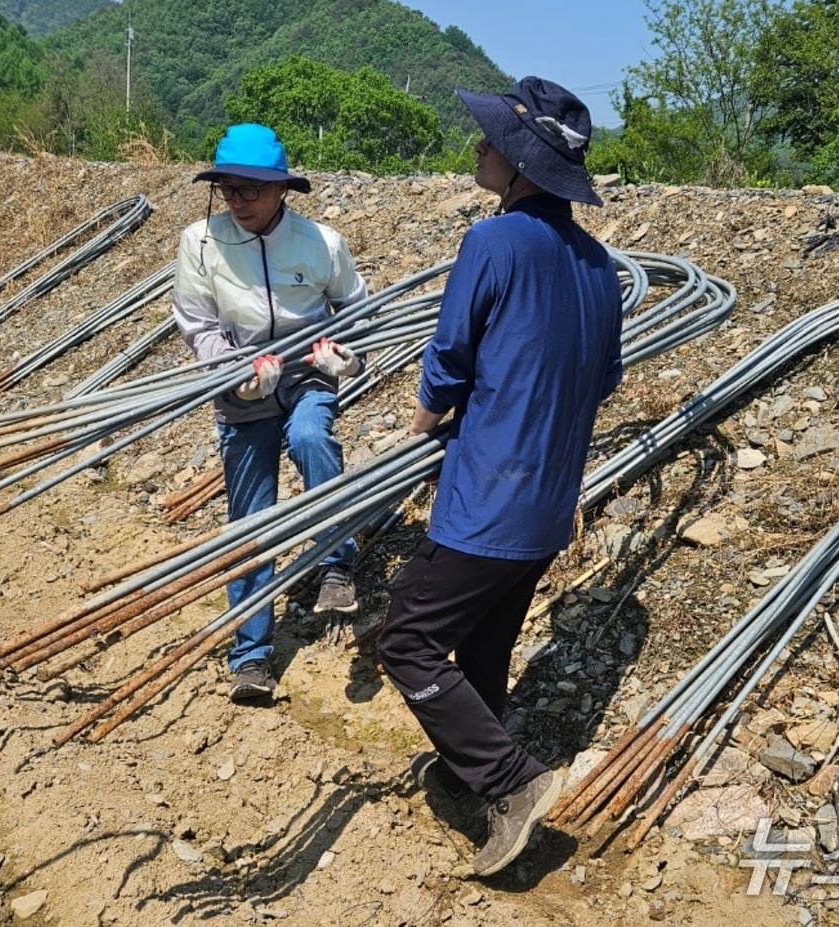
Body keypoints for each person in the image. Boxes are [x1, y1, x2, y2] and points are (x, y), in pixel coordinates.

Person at [377, 77, 625, 877]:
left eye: (490, 141)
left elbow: (448, 362)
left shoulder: (492, 243)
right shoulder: (600, 265)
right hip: (550, 503)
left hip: (487, 499)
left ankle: (513, 782)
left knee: (408, 641)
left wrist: (413, 434)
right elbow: (606, 376)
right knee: (483, 646)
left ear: (520, 164)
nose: (477, 148)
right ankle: (467, 773)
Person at [171, 122, 369, 703]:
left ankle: (337, 564)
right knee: (251, 521)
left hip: (308, 374)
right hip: (240, 387)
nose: (239, 201)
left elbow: (358, 313)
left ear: (282, 189)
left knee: (311, 436)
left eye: (252, 190)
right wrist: (239, 377)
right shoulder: (200, 242)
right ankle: (252, 657)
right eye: (228, 188)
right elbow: (198, 324)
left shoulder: (321, 243)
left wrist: (346, 359)